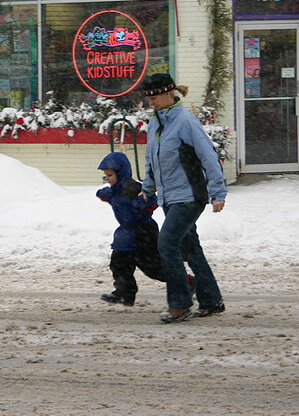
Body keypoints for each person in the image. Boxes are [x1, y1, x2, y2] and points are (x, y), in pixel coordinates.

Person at [140, 73, 228, 324]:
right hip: (170, 197)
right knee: (191, 249)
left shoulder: (185, 121)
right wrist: (148, 187)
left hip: (189, 196)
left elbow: (208, 156)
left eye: (155, 97)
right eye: (148, 98)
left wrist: (218, 192)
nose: (151, 102)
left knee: (167, 245)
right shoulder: (156, 122)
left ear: (169, 93)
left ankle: (180, 304)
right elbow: (152, 158)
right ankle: (211, 300)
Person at [96, 152, 194, 306]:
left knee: (154, 268)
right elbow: (111, 196)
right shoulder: (115, 190)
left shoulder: (133, 188)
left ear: (120, 173)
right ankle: (124, 293)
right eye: (106, 175)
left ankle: (187, 281)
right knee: (119, 264)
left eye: (110, 175)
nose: (107, 179)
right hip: (126, 234)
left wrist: (142, 204)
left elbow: (152, 200)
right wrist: (104, 194)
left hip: (143, 232)